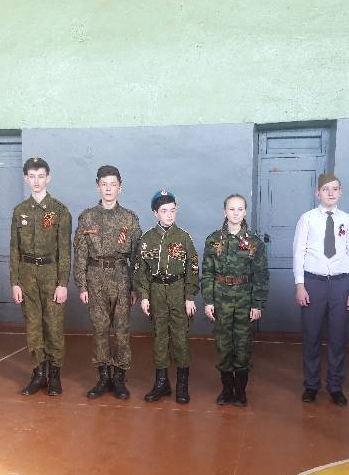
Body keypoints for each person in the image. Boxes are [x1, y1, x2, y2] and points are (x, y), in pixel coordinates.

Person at [74, 165, 142, 399]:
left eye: (113, 184)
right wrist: (82, 285)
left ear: (120, 188)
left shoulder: (129, 218)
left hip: (122, 278)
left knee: (122, 331)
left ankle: (120, 378)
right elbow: (80, 253)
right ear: (98, 187)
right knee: (100, 329)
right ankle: (103, 376)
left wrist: (135, 287)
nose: (109, 189)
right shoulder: (87, 217)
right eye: (104, 184)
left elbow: (137, 257)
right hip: (95, 278)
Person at [293, 172, 349, 406]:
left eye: (335, 189)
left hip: (341, 283)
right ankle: (311, 385)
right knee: (311, 336)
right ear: (317, 193)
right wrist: (300, 285)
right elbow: (299, 252)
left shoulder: (348, 221)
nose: (330, 193)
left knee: (338, 337)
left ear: (340, 192)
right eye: (325, 189)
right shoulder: (307, 219)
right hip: (314, 282)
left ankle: (335, 386)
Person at [10, 157, 71, 396]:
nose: (36, 181)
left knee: (53, 326)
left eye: (41, 176)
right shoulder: (20, 211)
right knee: (33, 326)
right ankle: (38, 373)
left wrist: (62, 283)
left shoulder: (59, 211)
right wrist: (15, 282)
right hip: (27, 274)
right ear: (26, 179)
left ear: (48, 178)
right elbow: (14, 249)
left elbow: (64, 250)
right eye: (32, 176)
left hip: (51, 273)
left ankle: (54, 375)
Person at [202, 194, 269, 406]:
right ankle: (226, 390)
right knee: (223, 345)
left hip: (244, 299)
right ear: (225, 212)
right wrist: (208, 301)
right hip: (220, 299)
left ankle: (240, 391)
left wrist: (257, 303)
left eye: (240, 209)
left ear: (245, 212)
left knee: (242, 345)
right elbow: (207, 273)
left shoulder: (254, 242)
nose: (236, 213)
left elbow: (261, 275)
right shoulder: (213, 240)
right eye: (232, 209)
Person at [133, 190, 199, 404]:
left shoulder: (184, 237)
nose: (169, 215)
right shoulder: (147, 239)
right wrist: (144, 296)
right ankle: (161, 383)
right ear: (155, 213)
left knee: (180, 338)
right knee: (159, 337)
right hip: (156, 292)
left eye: (172, 210)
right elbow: (140, 270)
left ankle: (182, 385)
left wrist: (189, 296)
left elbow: (193, 268)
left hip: (178, 290)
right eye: (164, 211)